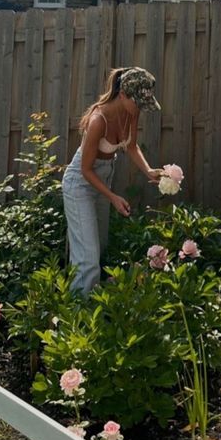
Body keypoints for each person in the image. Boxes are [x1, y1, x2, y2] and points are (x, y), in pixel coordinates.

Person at [62, 66, 162, 295]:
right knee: (88, 258)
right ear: (123, 95)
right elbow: (86, 170)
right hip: (80, 184)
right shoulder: (98, 120)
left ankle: (89, 305)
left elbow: (131, 146)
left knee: (98, 247)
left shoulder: (131, 111)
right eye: (138, 102)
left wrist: (149, 172)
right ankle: (77, 318)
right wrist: (113, 197)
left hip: (103, 179)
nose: (140, 109)